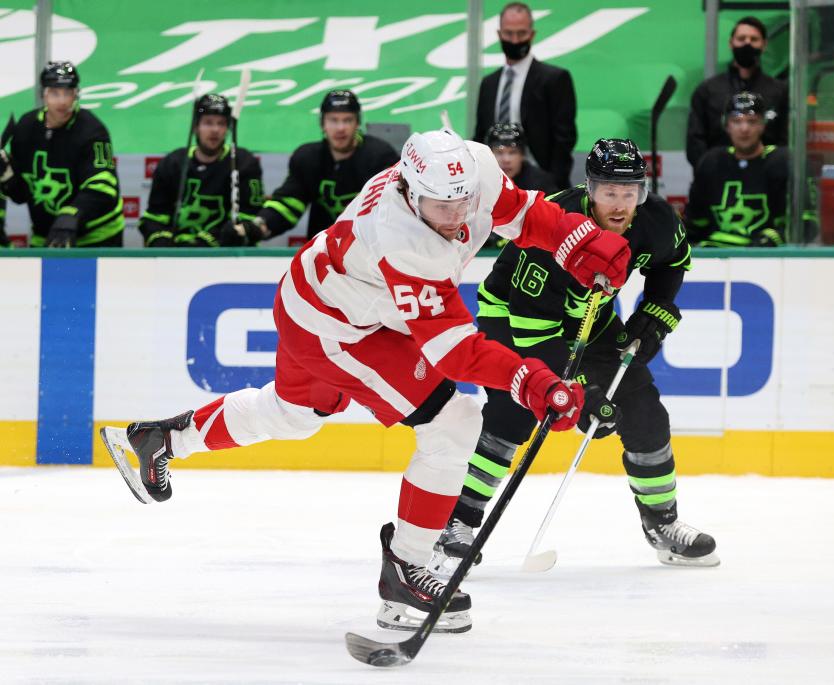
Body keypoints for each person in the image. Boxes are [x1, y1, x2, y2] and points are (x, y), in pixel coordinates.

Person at [101, 128, 632, 634]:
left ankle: (161, 439)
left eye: (463, 202)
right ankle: (406, 570)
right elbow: (453, 351)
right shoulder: (400, 238)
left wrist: (580, 242)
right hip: (337, 327)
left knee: (292, 415)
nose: (457, 217)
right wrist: (532, 381)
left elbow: (522, 213)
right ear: (408, 187)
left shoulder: (470, 173)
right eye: (441, 207)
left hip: (318, 297)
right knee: (455, 421)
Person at [430, 138, 719, 579]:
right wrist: (581, 396)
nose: (621, 205)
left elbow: (672, 260)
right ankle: (459, 522)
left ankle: (661, 524)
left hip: (592, 316)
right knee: (513, 414)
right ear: (589, 190)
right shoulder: (555, 230)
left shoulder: (656, 219)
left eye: (630, 193)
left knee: (643, 408)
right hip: (512, 317)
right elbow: (533, 333)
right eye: (609, 193)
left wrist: (655, 313)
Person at [233, 90, 399, 244]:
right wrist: (257, 226)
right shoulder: (308, 158)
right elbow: (289, 203)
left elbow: (393, 210)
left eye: (347, 120)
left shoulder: (380, 156)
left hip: (369, 253)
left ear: (357, 123)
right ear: (322, 123)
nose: (340, 128)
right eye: (333, 120)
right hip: (322, 254)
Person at [0, 61, 123, 248]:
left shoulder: (93, 131)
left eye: (68, 93)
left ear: (76, 94)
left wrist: (73, 213)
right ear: (43, 94)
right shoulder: (25, 128)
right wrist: (8, 178)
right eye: (55, 93)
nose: (62, 101)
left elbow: (105, 188)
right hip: (47, 237)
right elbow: (23, 195)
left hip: (97, 236)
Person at [473, 2, 577, 189]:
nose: (514, 40)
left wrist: (553, 183)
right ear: (499, 34)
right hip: (494, 183)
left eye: (521, 33)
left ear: (531, 34)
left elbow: (565, 138)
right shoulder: (489, 84)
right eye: (508, 33)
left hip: (540, 184)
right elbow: (481, 134)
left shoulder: (554, 79)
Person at [139, 94, 264, 247]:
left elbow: (249, 220)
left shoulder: (243, 163)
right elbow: (155, 216)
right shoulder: (172, 163)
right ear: (195, 127)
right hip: (177, 252)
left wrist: (208, 242)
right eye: (208, 123)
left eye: (221, 123)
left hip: (226, 255)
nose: (215, 130)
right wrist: (161, 241)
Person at [685, 92, 788, 247]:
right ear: (726, 126)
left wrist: (767, 242)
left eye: (752, 121)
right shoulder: (711, 162)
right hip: (713, 255)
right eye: (737, 121)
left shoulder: (781, 161)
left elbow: (799, 224)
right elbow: (696, 223)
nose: (744, 128)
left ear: (763, 125)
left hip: (763, 258)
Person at [686, 16, 788, 169]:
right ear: (731, 43)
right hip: (717, 178)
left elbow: (785, 140)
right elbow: (695, 141)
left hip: (766, 178)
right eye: (741, 38)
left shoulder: (779, 91)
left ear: (764, 44)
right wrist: (710, 172)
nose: (747, 43)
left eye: (754, 39)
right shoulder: (707, 90)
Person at [486, 123, 558, 196]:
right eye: (499, 152)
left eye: (512, 152)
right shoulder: (480, 181)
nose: (506, 160)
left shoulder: (542, 184)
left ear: (522, 155)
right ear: (489, 154)